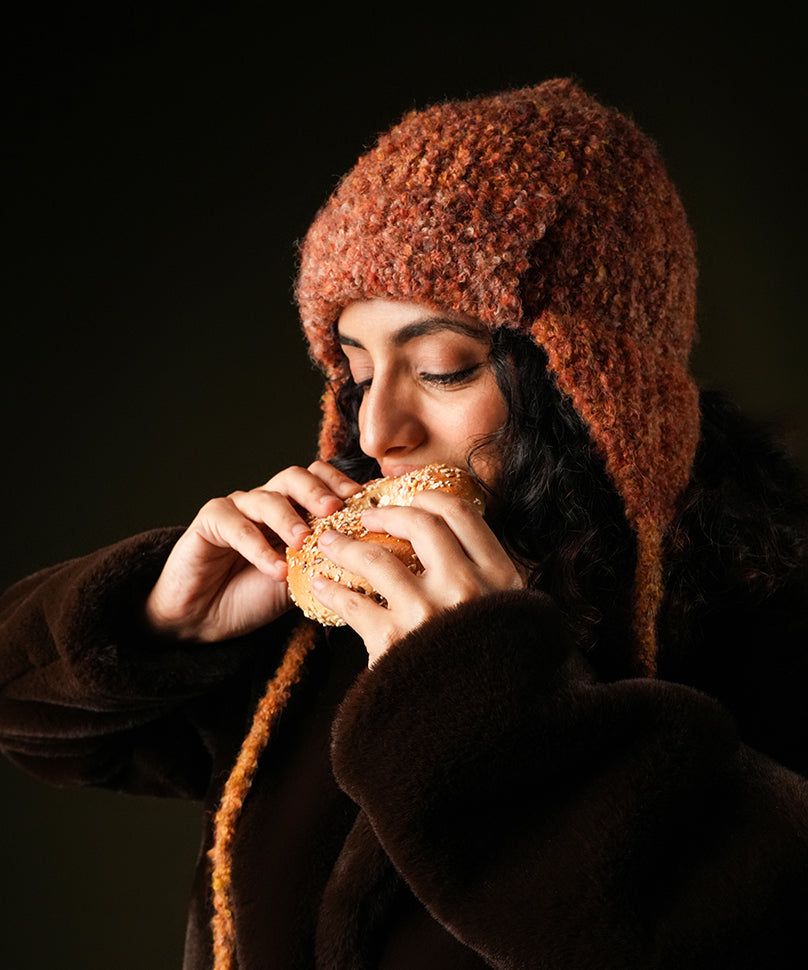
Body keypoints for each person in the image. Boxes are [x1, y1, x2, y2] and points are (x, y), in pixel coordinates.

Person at [1, 78, 807, 970]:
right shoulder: (328, 617)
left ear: (592, 389)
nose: (379, 431)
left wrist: (478, 693)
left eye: (443, 368)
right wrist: (153, 622)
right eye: (354, 372)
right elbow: (26, 715)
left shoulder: (763, 617)